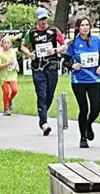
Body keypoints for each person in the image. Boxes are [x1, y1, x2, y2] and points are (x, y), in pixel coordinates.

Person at [21, 7, 67, 136]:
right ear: (37, 19)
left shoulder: (53, 31)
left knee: (50, 94)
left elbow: (64, 45)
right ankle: (44, 122)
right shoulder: (32, 33)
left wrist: (56, 50)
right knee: (41, 94)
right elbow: (23, 46)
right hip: (38, 68)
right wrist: (30, 54)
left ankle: (43, 114)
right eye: (41, 19)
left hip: (52, 66)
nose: (43, 21)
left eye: (45, 18)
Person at [66, 16, 100, 148]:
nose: (85, 27)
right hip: (78, 81)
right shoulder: (73, 43)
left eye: (87, 25)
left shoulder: (96, 40)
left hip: (94, 79)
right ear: (78, 28)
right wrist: (72, 66)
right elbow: (65, 61)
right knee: (84, 108)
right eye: (82, 25)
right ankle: (83, 138)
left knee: (96, 109)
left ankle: (88, 125)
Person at [0, 36, 19, 116]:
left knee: (15, 90)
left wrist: (16, 66)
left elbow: (15, 61)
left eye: (8, 43)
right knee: (6, 91)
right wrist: (6, 64)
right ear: (2, 44)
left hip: (12, 74)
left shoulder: (13, 52)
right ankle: (6, 109)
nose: (6, 44)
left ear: (11, 44)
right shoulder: (0, 54)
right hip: (3, 76)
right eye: (4, 43)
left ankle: (9, 100)